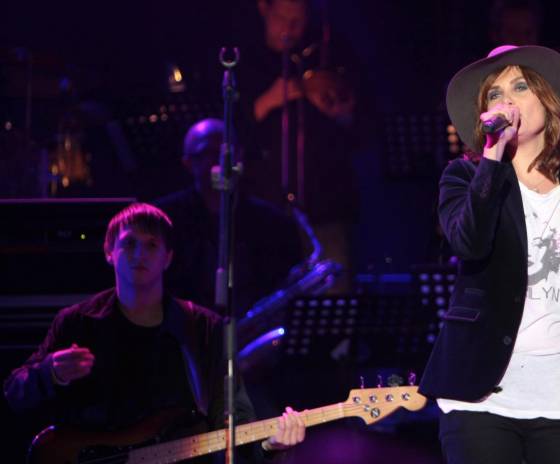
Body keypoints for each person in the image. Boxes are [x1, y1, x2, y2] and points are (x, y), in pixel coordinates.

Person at [419, 45, 560, 463]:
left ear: (548, 100)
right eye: (495, 94)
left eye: (520, 87)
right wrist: (492, 158)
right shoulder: (465, 177)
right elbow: (469, 242)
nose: (506, 101)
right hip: (481, 398)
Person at [3, 203, 306, 462]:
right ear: (109, 252)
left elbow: (232, 419)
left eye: (151, 245)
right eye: (129, 243)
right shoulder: (76, 323)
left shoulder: (204, 328)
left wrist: (269, 446)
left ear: (168, 257)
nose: (140, 254)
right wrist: (50, 373)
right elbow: (15, 393)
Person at [240, 0, 360, 291]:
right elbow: (228, 132)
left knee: (334, 294)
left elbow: (359, 125)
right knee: (271, 296)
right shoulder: (245, 59)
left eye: (299, 20)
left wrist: (340, 108)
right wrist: (266, 102)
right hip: (267, 207)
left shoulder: (326, 53)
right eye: (283, 18)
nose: (291, 28)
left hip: (325, 207)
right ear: (264, 8)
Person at [155, 118, 303, 313]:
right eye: (209, 153)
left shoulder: (273, 222)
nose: (220, 162)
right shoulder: (163, 219)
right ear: (189, 163)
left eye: (227, 153)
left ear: (240, 156)